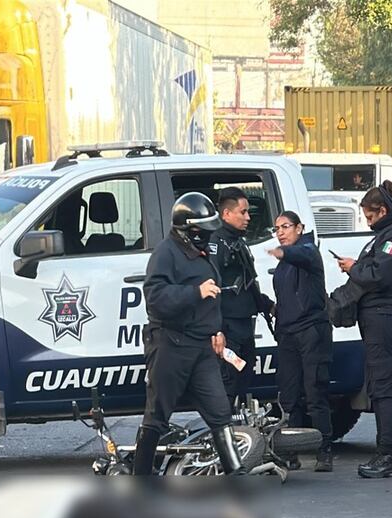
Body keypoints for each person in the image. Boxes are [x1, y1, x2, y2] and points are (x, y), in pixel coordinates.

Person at [132, 192, 245, 476]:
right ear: (187, 230)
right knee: (158, 413)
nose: (207, 237)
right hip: (171, 343)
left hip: (202, 346)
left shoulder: (203, 254)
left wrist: (217, 330)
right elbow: (155, 297)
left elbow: (213, 298)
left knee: (220, 411)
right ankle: (141, 477)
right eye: (201, 232)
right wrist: (194, 292)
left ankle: (236, 471)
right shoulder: (165, 254)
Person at [333, 180, 392, 479]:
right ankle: (385, 453)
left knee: (384, 387)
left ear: (382, 210)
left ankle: (387, 455)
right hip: (377, 317)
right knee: (379, 385)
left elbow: (379, 273)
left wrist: (353, 268)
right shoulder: (387, 232)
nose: (368, 223)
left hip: (386, 316)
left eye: (369, 217)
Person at [266, 211, 334, 472]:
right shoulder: (283, 265)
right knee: (289, 394)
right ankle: (291, 452)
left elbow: (302, 255)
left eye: (285, 227)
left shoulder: (307, 251)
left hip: (311, 332)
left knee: (315, 391)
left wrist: (283, 253)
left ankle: (324, 449)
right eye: (277, 228)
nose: (281, 232)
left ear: (299, 228)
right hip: (288, 334)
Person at [211, 187, 275, 410]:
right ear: (226, 214)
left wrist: (268, 306)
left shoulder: (239, 242)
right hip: (228, 327)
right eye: (243, 212)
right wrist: (216, 330)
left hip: (245, 325)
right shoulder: (216, 243)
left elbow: (248, 283)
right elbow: (211, 292)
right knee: (227, 385)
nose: (248, 217)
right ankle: (224, 438)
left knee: (244, 383)